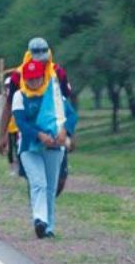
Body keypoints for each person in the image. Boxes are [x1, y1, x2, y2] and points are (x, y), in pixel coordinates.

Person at [0, 37, 74, 194]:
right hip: (30, 130)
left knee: (59, 181)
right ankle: (40, 214)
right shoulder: (18, 77)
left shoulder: (58, 73)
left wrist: (69, 131)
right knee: (36, 180)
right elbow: (8, 105)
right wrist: (2, 134)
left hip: (54, 129)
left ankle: (45, 206)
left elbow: (66, 104)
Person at [12, 59, 78, 239]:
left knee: (50, 186)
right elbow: (21, 123)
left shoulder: (54, 94)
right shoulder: (19, 96)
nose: (33, 82)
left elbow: (71, 115)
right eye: (30, 79)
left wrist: (65, 131)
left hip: (55, 146)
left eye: (37, 78)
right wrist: (40, 136)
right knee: (38, 182)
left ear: (43, 77)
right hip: (29, 147)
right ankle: (39, 220)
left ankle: (48, 226)